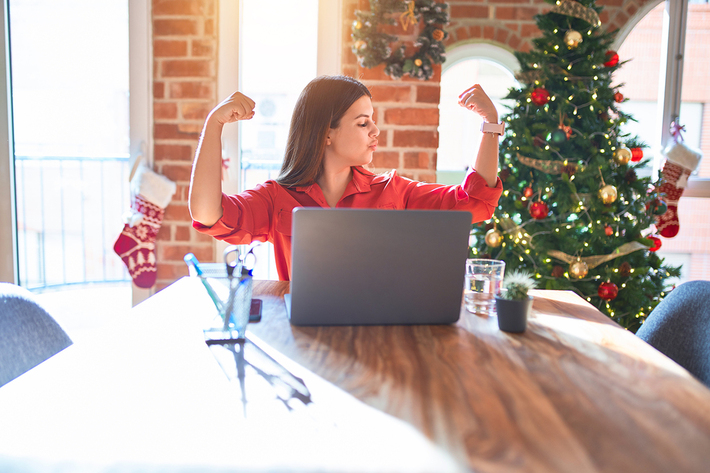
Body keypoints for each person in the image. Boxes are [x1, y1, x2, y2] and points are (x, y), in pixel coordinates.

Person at [189, 75, 503, 281]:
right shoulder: (276, 198)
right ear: (327, 132)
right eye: (363, 123)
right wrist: (214, 123)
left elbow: (475, 202)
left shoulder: (394, 191)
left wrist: (491, 124)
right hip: (305, 342)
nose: (375, 132)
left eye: (373, 122)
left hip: (379, 340)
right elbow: (208, 214)